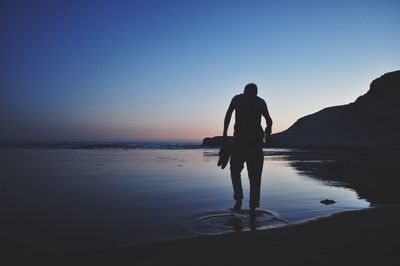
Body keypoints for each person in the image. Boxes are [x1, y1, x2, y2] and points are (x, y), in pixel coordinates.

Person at [222, 83, 272, 218]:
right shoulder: (260, 102)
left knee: (235, 170)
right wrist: (268, 133)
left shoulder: (238, 99)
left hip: (241, 142)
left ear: (245, 91)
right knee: (254, 176)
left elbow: (228, 115)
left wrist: (225, 135)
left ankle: (239, 199)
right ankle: (252, 207)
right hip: (253, 143)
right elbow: (269, 120)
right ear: (255, 92)